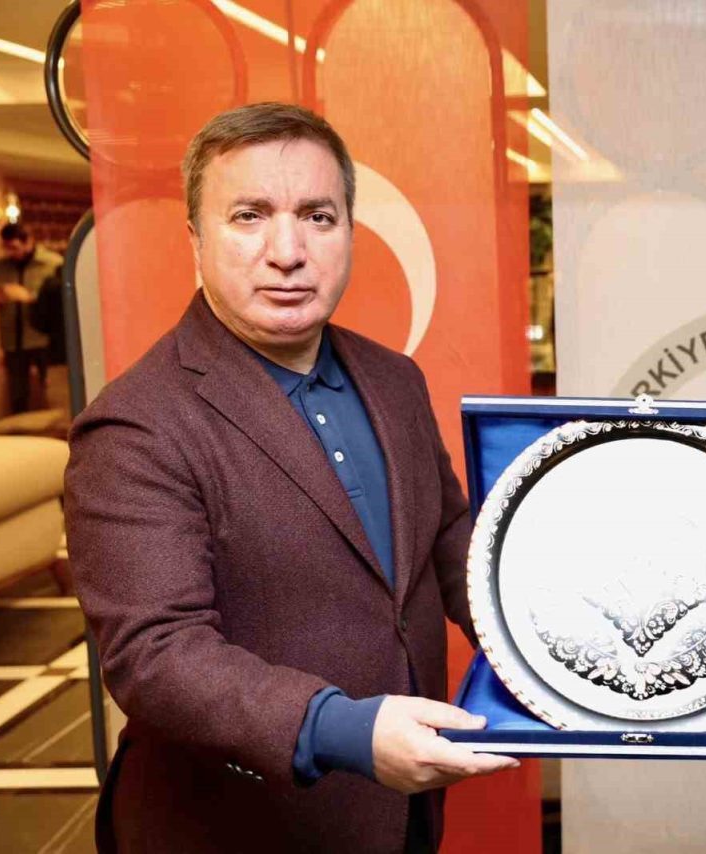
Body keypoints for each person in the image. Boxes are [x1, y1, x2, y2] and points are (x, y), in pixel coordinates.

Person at [65, 103, 517, 853]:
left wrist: (559, 648)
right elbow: (156, 653)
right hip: (234, 830)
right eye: (249, 216)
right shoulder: (136, 425)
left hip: (400, 816)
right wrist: (341, 729)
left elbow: (447, 540)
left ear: (349, 231)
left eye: (317, 216)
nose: (288, 251)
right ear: (195, 239)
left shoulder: (393, 379)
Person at [0, 223, 63, 413]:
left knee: (52, 389)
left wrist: (29, 297)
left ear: (28, 241)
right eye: (6, 247)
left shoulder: (52, 263)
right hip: (12, 341)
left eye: (14, 247)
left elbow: (61, 302)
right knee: (17, 394)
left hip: (43, 339)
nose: (10, 252)